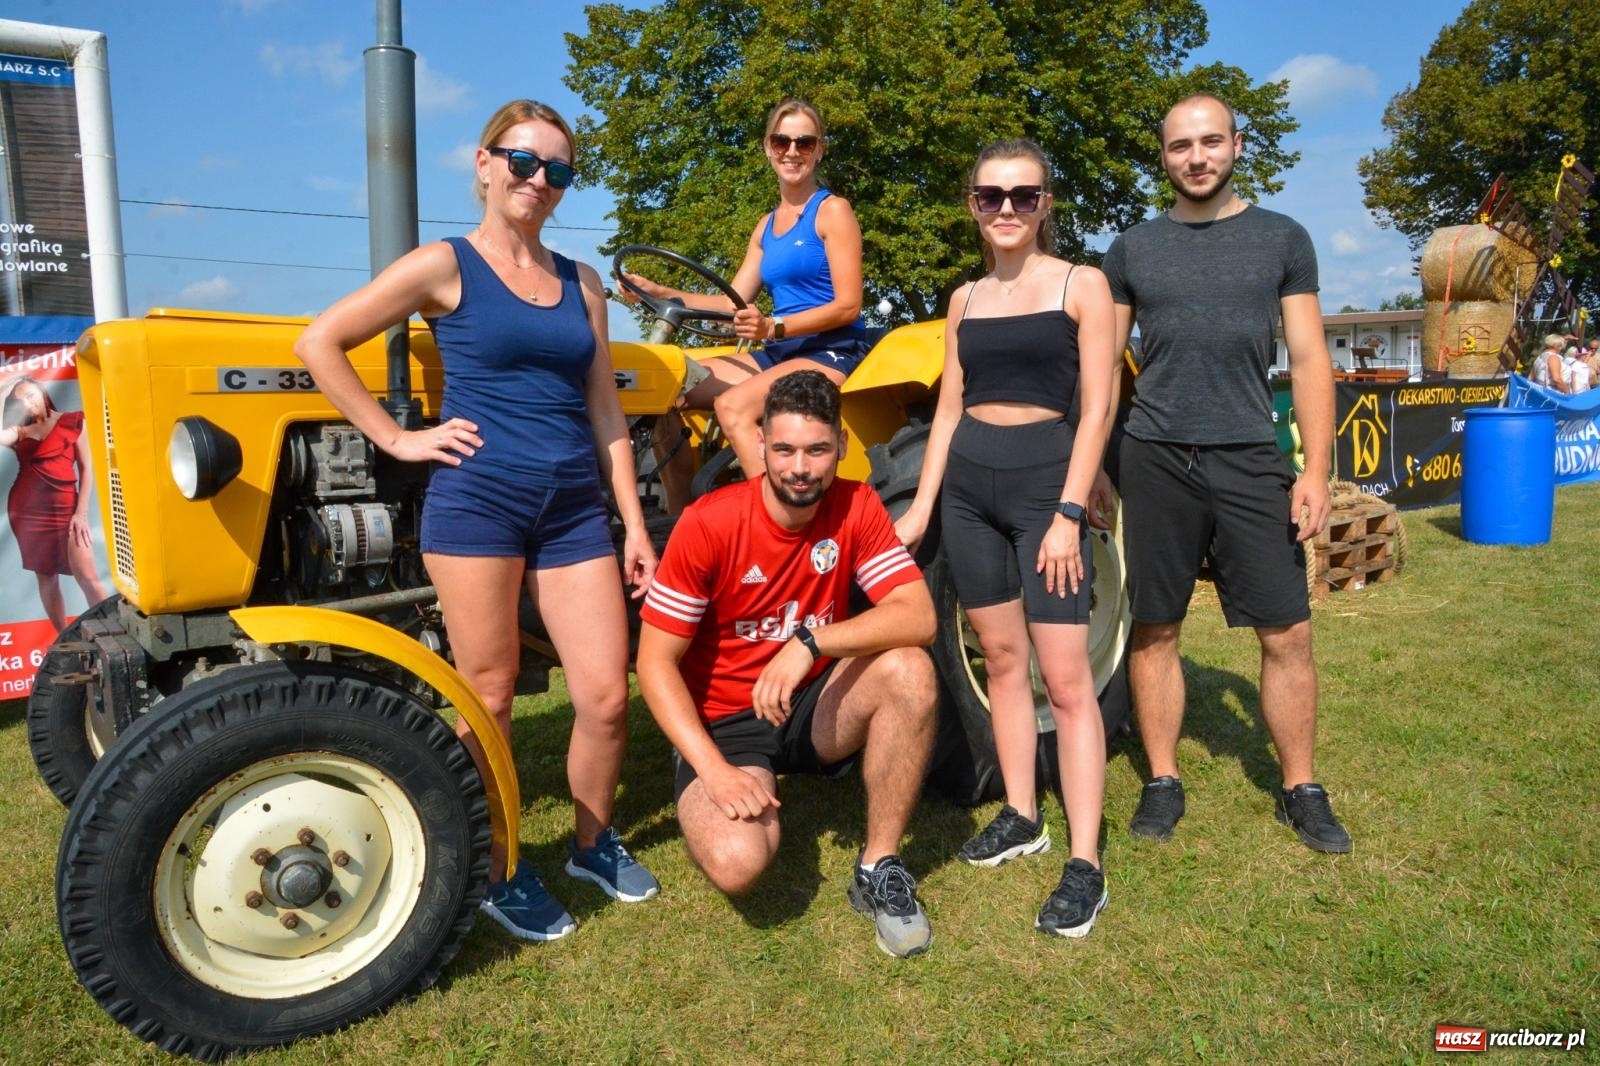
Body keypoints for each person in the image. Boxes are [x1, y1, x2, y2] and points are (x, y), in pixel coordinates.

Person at [295, 99, 660, 942]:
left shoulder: (584, 281)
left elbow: (605, 407)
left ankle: (593, 843)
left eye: (557, 171)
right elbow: (321, 342)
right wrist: (396, 436)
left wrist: (633, 524)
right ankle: (500, 865)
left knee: (606, 696)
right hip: (479, 501)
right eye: (524, 162)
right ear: (487, 164)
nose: (539, 181)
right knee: (488, 694)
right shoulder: (443, 264)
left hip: (573, 508)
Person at [1100, 93, 1350, 854]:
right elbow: (1105, 367)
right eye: (1181, 146)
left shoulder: (1283, 238)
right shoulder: (1132, 249)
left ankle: (1301, 786)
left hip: (1249, 455)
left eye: (1211, 142)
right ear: (1164, 156)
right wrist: (1097, 463)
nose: (1197, 157)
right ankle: (1164, 779)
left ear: (1238, 145)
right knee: (1155, 628)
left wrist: (1315, 471)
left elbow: (1309, 359)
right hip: (1154, 459)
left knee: (1287, 631)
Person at [635, 371, 939, 958]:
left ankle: (880, 866)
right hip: (727, 720)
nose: (800, 467)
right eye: (784, 449)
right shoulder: (709, 522)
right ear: (764, 446)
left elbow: (919, 616)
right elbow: (654, 663)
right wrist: (714, 770)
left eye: (817, 450)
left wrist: (809, 642)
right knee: (738, 863)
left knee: (910, 668)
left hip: (811, 700)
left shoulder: (857, 503)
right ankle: (716, 772)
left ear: (841, 448)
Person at [893, 139, 1117, 937]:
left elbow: (1097, 409)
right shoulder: (963, 300)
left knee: (1065, 681)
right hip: (969, 492)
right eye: (991, 196)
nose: (1008, 209)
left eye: (1024, 195)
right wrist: (920, 510)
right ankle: (1023, 813)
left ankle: (1085, 864)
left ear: (1047, 204)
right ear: (972, 206)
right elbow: (949, 409)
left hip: (1042, 487)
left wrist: (1066, 512)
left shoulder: (1081, 284)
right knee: (1002, 662)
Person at [621, 99, 867, 501]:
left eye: (804, 143)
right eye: (781, 141)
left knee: (733, 406)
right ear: (767, 147)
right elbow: (731, 301)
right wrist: (660, 292)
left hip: (831, 350)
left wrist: (773, 327)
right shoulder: (766, 226)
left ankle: (772, 528)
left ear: (819, 150)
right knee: (660, 385)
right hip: (778, 353)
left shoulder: (832, 211)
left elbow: (848, 305)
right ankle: (689, 523)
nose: (792, 151)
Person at [2, 374, 110, 632]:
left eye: (30, 396)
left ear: (42, 392)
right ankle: (63, 637)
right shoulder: (19, 431)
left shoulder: (73, 421)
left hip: (66, 508)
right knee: (46, 577)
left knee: (87, 575)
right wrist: (5, 387)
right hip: (27, 511)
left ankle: (112, 630)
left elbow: (87, 469)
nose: (29, 405)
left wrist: (81, 514)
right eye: (21, 403)